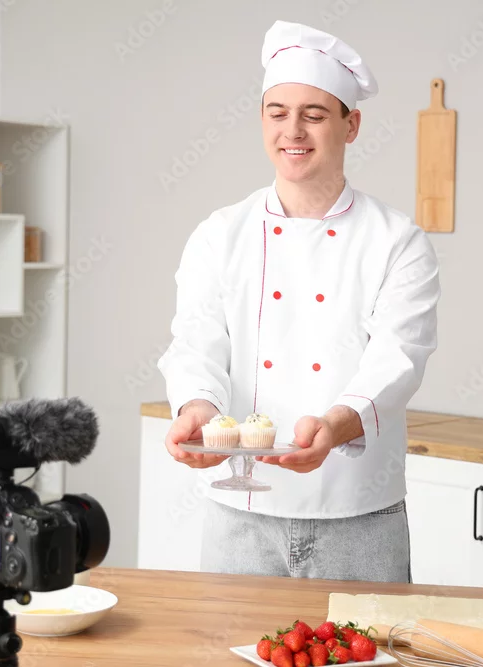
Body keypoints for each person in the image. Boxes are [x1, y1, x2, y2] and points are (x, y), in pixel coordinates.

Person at [157, 19, 440, 583]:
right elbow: (196, 343)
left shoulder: (397, 241)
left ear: (350, 125)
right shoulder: (220, 233)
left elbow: (398, 359)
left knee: (367, 638)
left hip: (358, 511)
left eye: (314, 115)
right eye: (278, 112)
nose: (293, 131)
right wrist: (198, 408)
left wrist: (334, 425)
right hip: (240, 513)